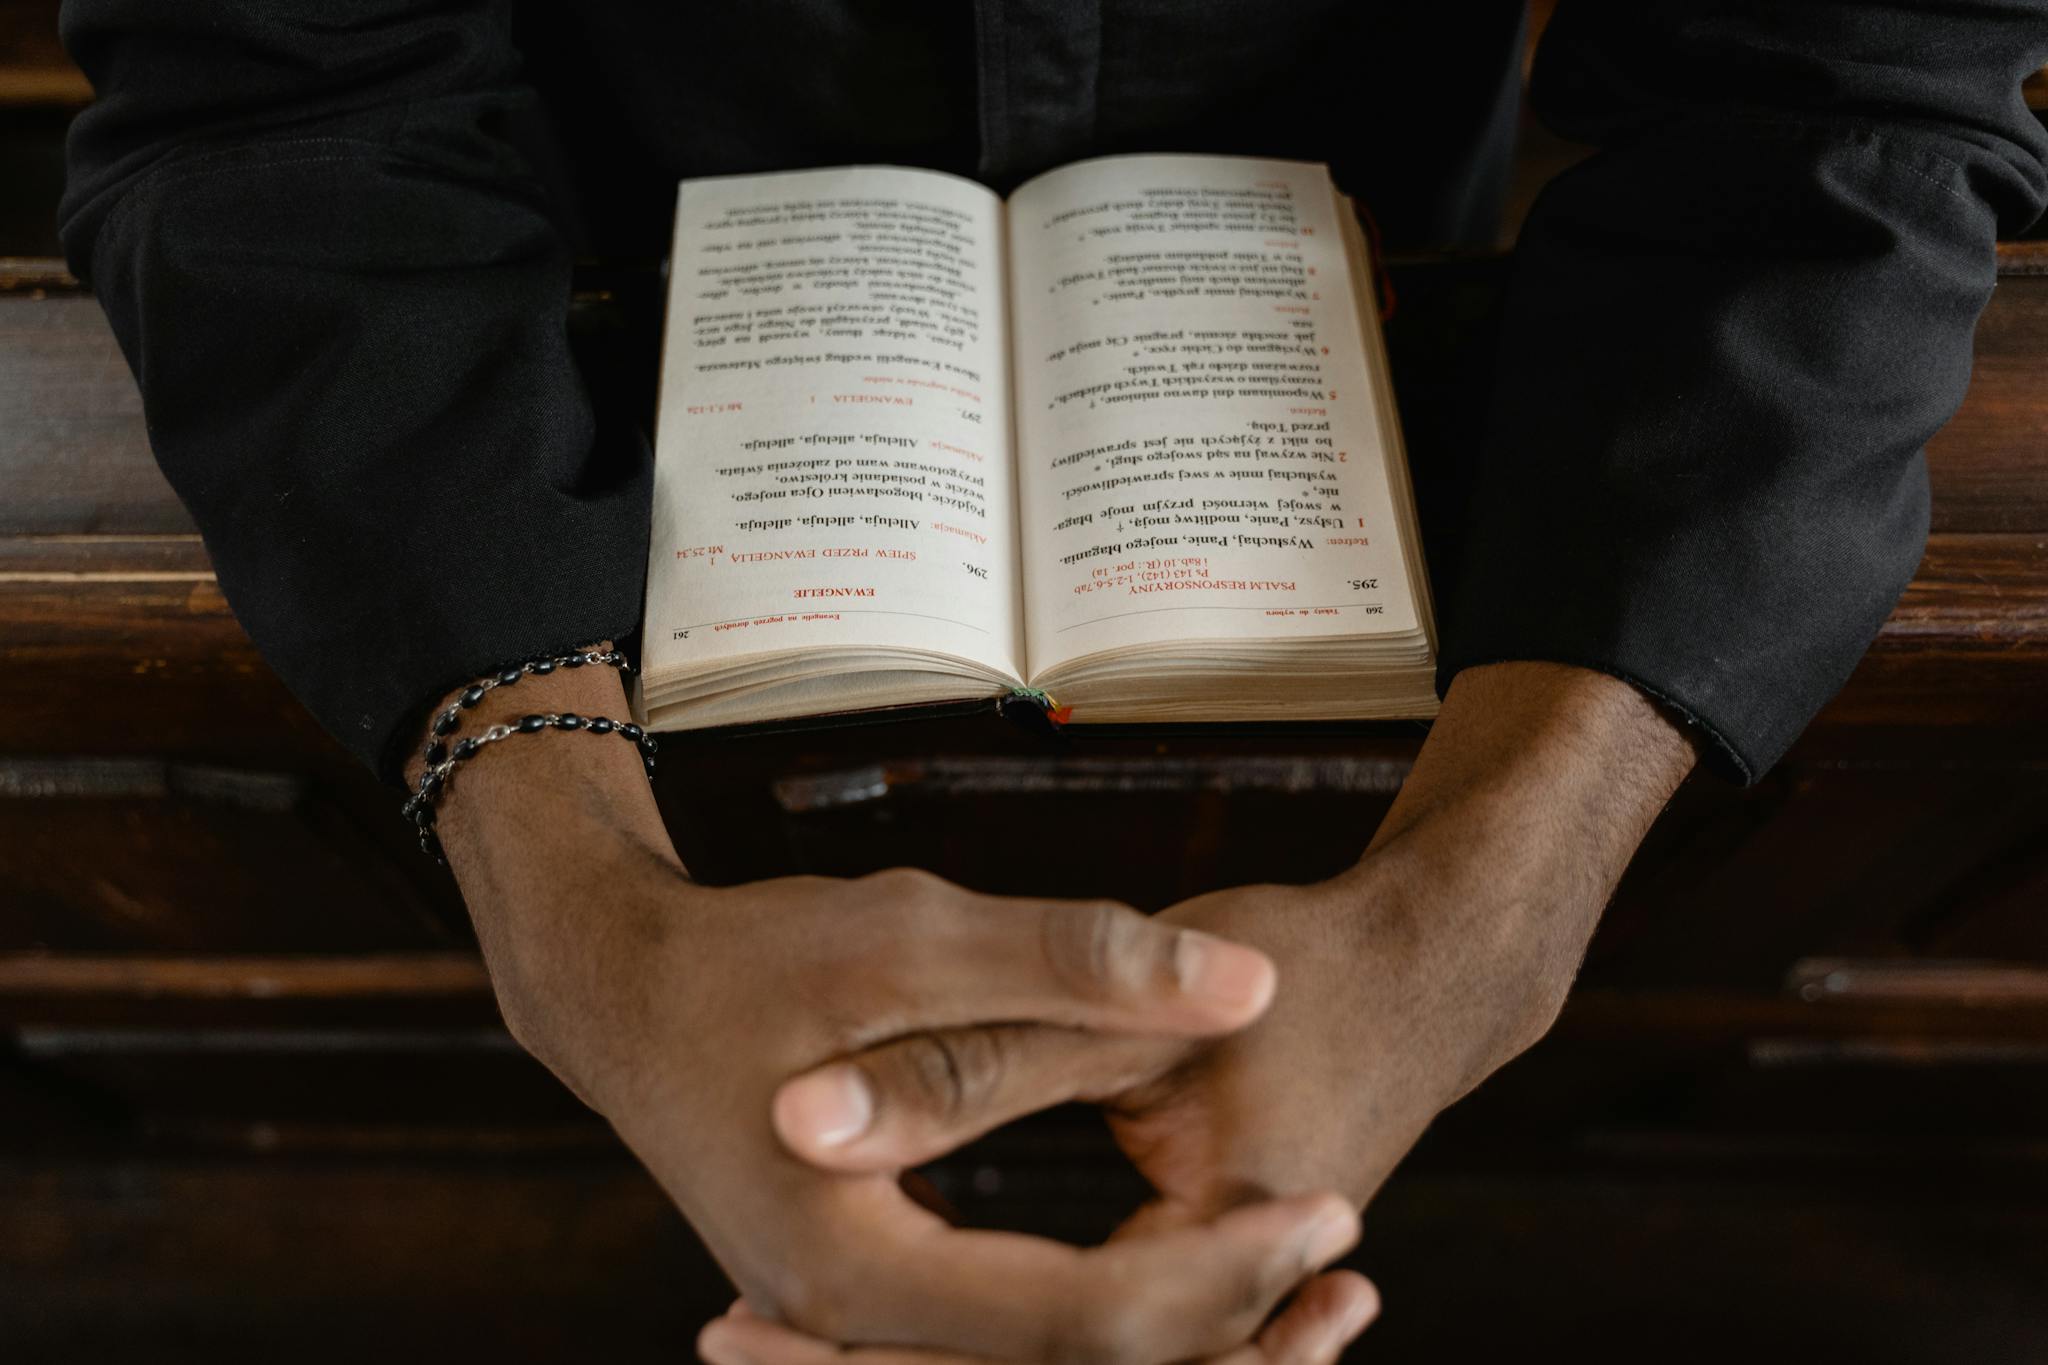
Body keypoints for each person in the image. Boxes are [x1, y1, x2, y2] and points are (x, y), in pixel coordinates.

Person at [56, 2, 2048, 1361]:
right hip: (560, 345)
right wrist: (560, 882)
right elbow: (279, 99)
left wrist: (1497, 888)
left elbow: (1831, 92)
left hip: (1338, 315)